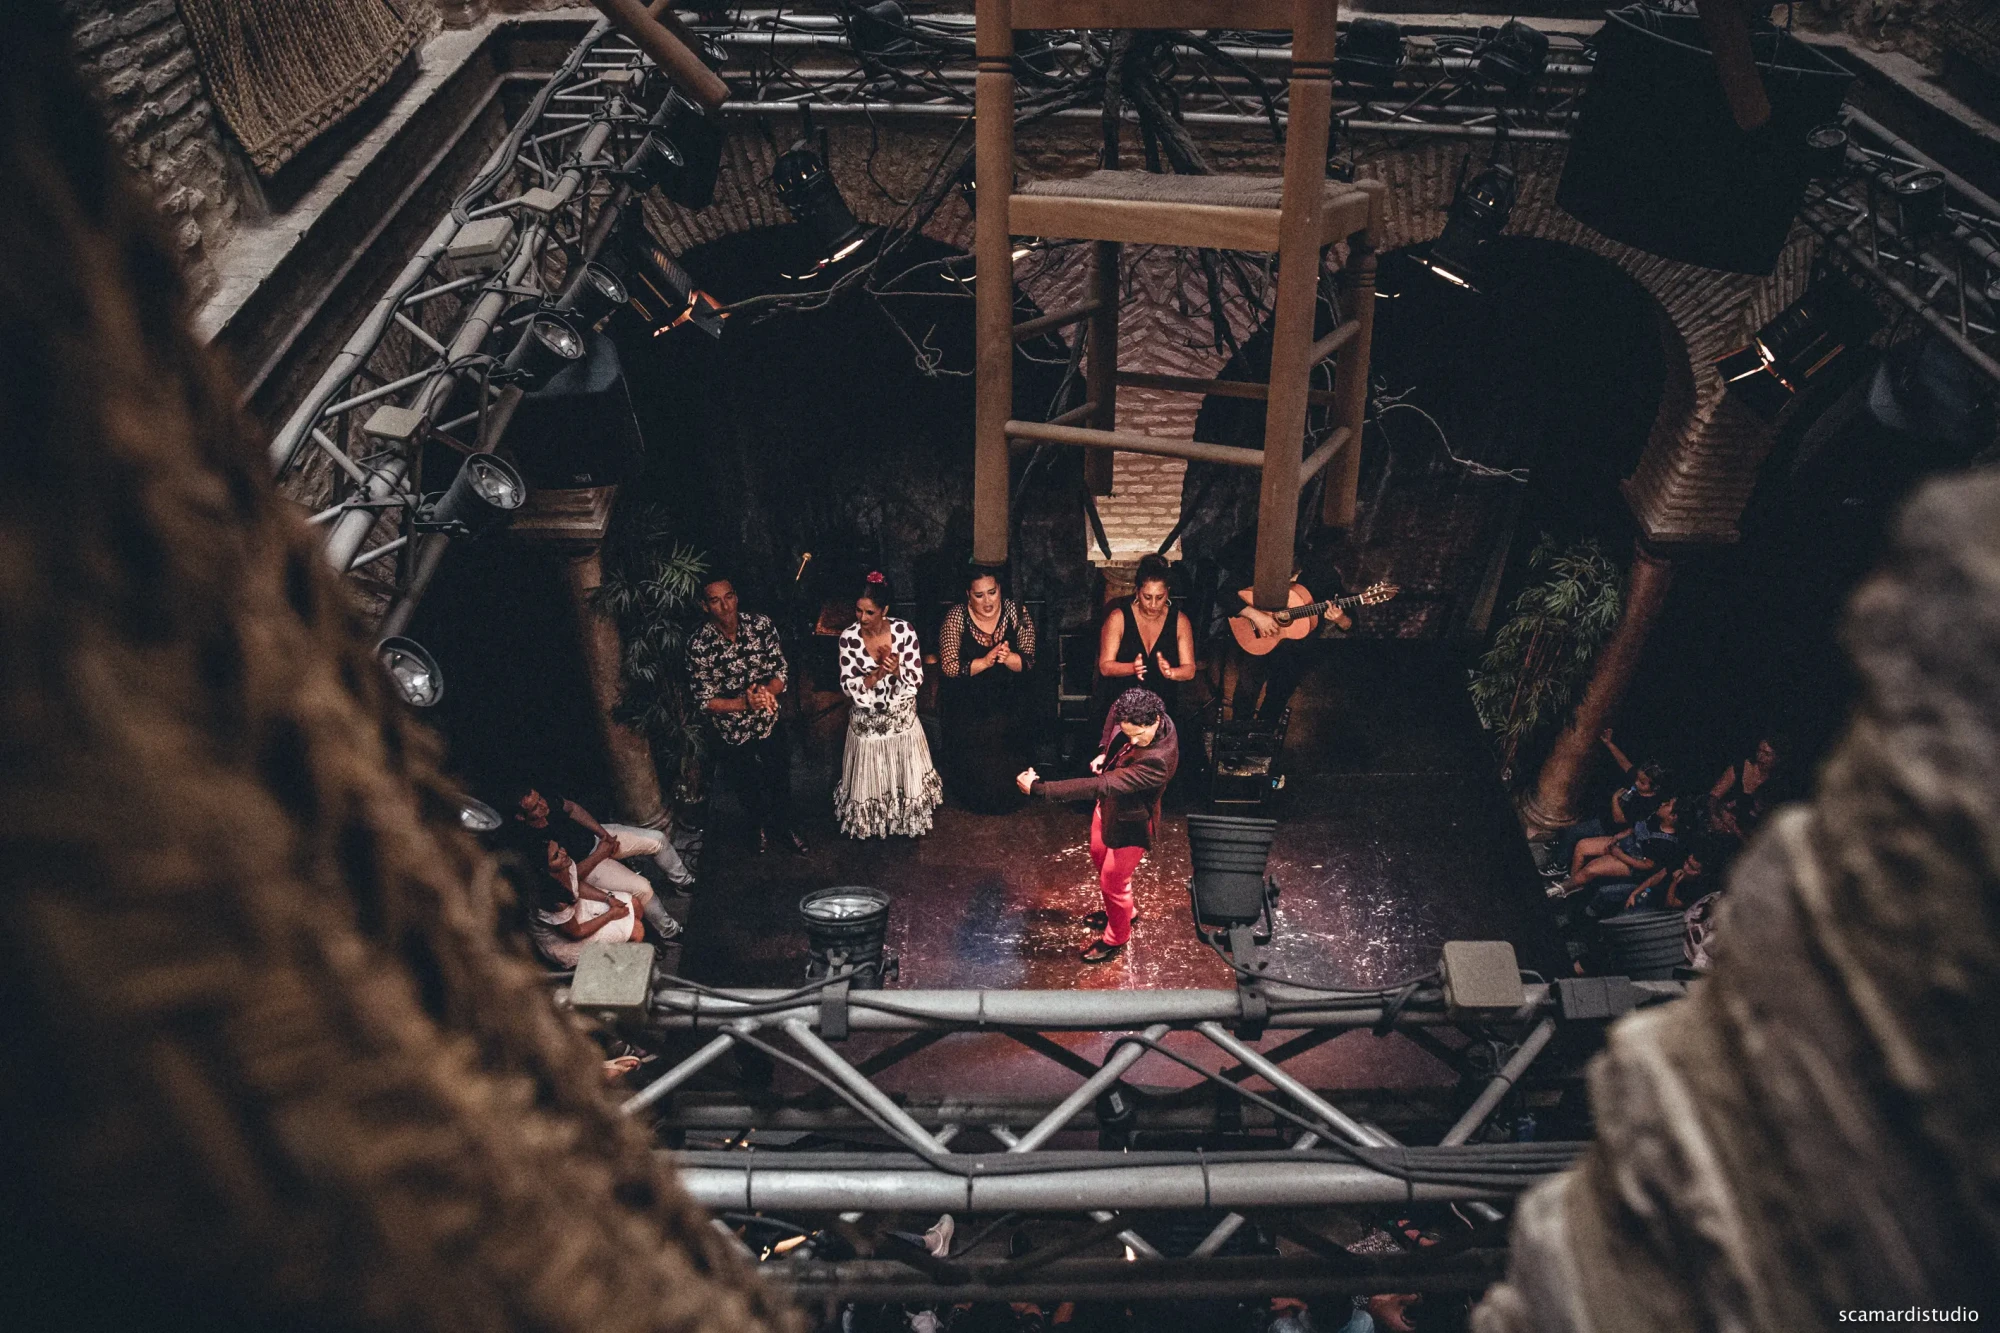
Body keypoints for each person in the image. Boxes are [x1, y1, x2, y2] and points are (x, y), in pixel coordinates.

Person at [1017, 687, 1179, 963]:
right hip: (1109, 810)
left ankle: (1118, 934)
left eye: (1140, 734)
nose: (1134, 740)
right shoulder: (1133, 713)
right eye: (1128, 734)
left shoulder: (1157, 761)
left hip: (1131, 823)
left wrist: (1040, 790)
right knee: (1098, 857)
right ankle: (1124, 912)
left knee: (1112, 881)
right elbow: (1114, 711)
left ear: (1155, 720)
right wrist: (1106, 750)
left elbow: (1100, 785)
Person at [687, 574, 807, 854]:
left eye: (729, 597)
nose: (726, 606)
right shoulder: (699, 645)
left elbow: (780, 670)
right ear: (705, 606)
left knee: (779, 775)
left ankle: (784, 826)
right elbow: (704, 700)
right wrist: (744, 704)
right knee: (745, 782)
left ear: (736, 597)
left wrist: (768, 693)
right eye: (715, 601)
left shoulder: (761, 625)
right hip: (731, 730)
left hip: (768, 719)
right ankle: (758, 828)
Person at [834, 572, 943, 838]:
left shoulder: (904, 631)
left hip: (901, 723)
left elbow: (916, 679)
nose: (862, 618)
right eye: (858, 611)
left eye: (870, 612)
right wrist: (875, 676)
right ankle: (872, 827)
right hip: (868, 726)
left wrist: (896, 671)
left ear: (885, 610)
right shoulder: (848, 638)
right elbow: (848, 686)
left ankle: (906, 824)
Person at [507, 787, 683, 939]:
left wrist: (602, 834)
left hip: (596, 842)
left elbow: (573, 809)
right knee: (643, 888)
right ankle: (670, 932)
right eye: (536, 807)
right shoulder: (532, 846)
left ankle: (684, 882)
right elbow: (570, 881)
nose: (543, 805)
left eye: (541, 798)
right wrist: (600, 855)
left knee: (658, 839)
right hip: (586, 867)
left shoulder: (548, 803)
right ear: (521, 817)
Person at [937, 564, 1037, 813]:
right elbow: (949, 666)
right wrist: (984, 661)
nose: (988, 601)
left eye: (992, 592)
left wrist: (1008, 657)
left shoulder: (1016, 611)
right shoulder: (957, 617)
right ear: (968, 594)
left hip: (1008, 700)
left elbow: (1029, 660)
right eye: (979, 595)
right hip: (970, 704)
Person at [1539, 729, 1667, 882]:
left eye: (1642, 783)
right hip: (1603, 816)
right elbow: (1625, 764)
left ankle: (1559, 866)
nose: (1636, 782)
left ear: (1654, 787)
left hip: (1610, 828)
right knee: (1574, 829)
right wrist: (1609, 743)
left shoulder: (1648, 804)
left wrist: (1615, 800)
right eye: (1638, 779)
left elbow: (1619, 820)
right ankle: (1563, 846)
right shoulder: (1638, 783)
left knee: (1574, 833)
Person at [1091, 554, 1198, 731]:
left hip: (1162, 702)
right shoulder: (1118, 617)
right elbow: (1105, 666)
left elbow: (1190, 670)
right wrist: (1131, 668)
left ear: (1168, 592)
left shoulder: (1180, 621)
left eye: (1160, 597)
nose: (1153, 604)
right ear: (1137, 591)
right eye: (1147, 597)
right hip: (1123, 700)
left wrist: (1172, 673)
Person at [528, 840, 641, 970]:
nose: (563, 853)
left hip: (576, 909)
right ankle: (621, 971)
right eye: (556, 856)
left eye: (560, 848)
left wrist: (608, 898)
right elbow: (576, 933)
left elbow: (576, 885)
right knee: (637, 930)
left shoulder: (564, 864)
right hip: (565, 938)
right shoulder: (551, 899)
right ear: (544, 869)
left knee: (634, 903)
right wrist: (611, 914)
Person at [1549, 795, 1684, 901]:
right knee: (1582, 845)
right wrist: (1619, 836)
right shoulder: (1656, 818)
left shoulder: (1667, 844)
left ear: (1673, 816)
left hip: (1633, 862)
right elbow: (1635, 828)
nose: (1662, 804)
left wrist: (1618, 854)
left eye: (1667, 805)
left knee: (1590, 869)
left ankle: (1558, 890)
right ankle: (1574, 884)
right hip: (1626, 844)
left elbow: (1646, 865)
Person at [1708, 732, 1784, 841]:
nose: (1760, 757)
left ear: (1777, 758)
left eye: (1767, 754)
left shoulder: (1776, 784)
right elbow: (1713, 797)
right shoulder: (1740, 768)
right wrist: (1714, 817)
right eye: (1759, 751)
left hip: (1745, 835)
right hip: (1721, 825)